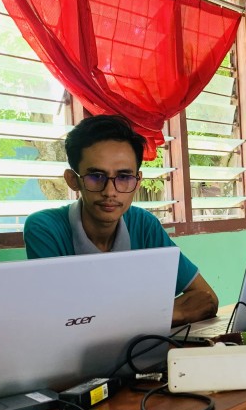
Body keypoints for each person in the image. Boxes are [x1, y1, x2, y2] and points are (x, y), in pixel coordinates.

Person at [24, 115, 218, 326]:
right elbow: (59, 323)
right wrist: (165, 314)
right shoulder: (45, 228)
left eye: (124, 177)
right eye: (96, 176)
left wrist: (129, 319)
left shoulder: (144, 225)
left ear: (138, 181)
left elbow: (207, 298)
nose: (110, 192)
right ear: (73, 180)